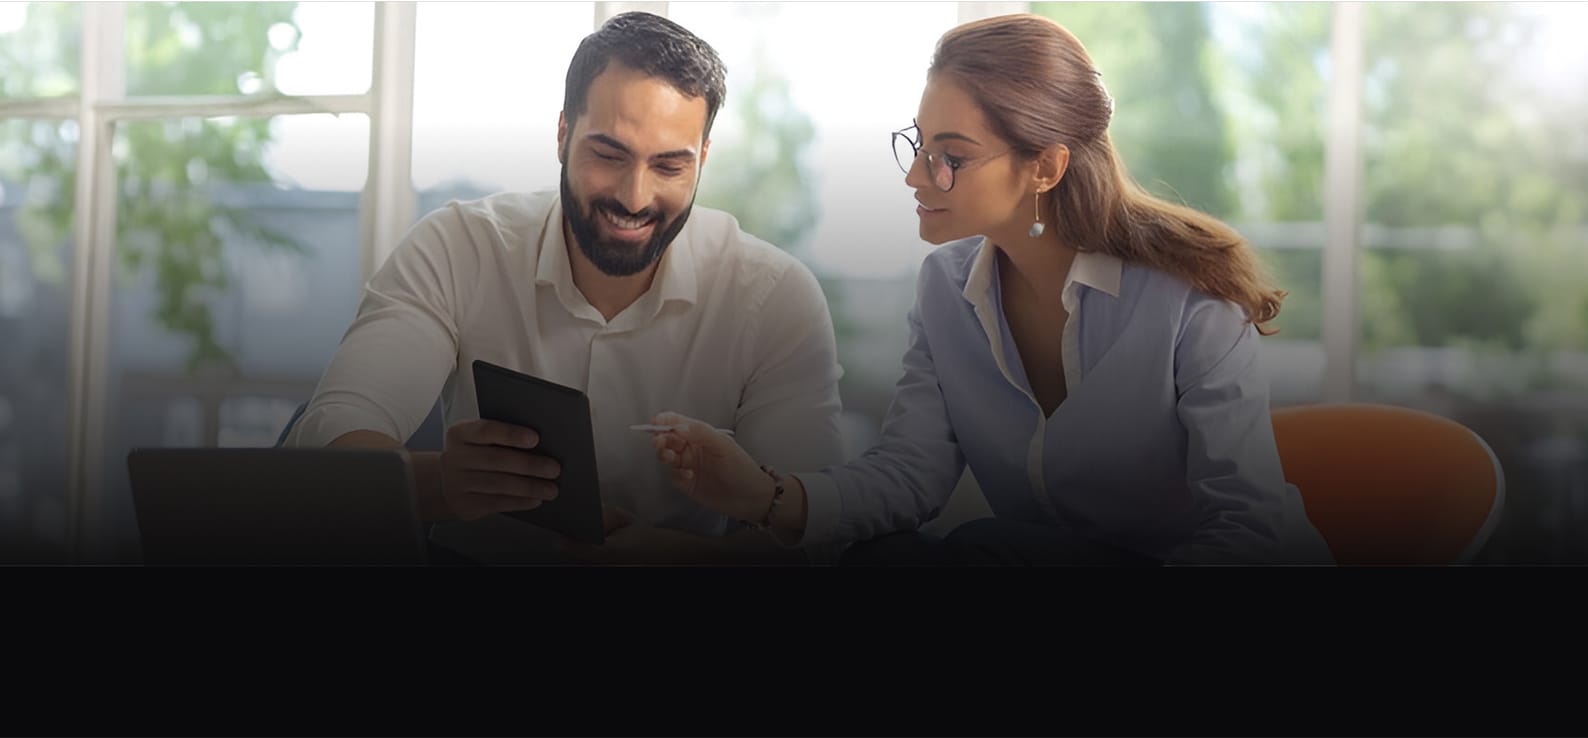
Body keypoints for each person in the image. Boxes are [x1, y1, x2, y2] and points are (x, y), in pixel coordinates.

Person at [646, 14, 1334, 565]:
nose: (917, 176)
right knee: (885, 555)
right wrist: (763, 494)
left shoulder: (1187, 296)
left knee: (988, 549)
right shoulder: (946, 289)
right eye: (918, 145)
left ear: (1046, 167)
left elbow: (1248, 530)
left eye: (951, 157)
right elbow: (909, 474)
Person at [283, 12, 847, 564]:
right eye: (609, 154)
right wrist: (440, 486)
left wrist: (679, 557)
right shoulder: (458, 246)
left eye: (670, 167)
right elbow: (326, 446)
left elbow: (812, 530)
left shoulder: (775, 297)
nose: (634, 196)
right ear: (562, 134)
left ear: (702, 159)